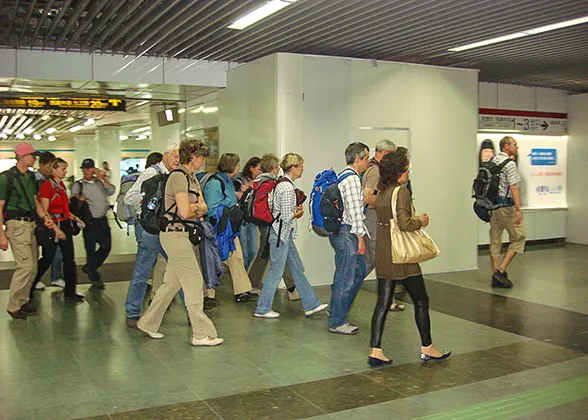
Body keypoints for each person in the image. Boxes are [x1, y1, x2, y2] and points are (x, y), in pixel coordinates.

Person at [368, 151, 450, 367]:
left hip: (385, 253)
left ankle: (375, 350)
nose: (408, 171)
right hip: (402, 256)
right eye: (406, 167)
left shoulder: (383, 192)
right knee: (421, 300)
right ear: (399, 171)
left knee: (382, 304)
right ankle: (428, 347)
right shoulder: (401, 191)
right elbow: (404, 223)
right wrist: (420, 221)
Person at [137, 140, 223, 347]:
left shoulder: (190, 178)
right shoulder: (178, 178)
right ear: (193, 157)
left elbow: (204, 208)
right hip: (174, 236)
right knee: (194, 283)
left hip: (182, 235)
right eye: (202, 157)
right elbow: (186, 211)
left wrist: (196, 208)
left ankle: (148, 323)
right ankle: (201, 334)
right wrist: (196, 208)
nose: (203, 161)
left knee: (171, 284)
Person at [254, 153, 328, 318]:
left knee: (297, 269)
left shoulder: (281, 184)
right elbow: (285, 216)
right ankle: (262, 308)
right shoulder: (287, 187)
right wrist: (298, 213)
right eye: (301, 166)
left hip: (281, 234)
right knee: (276, 271)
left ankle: (311, 304)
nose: (302, 169)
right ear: (293, 168)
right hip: (281, 235)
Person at [124, 146, 180, 328]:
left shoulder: (177, 175)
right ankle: (133, 311)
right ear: (166, 155)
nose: (178, 159)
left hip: (168, 227)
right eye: (175, 155)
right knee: (144, 268)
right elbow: (129, 198)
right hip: (149, 229)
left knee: (181, 267)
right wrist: (148, 199)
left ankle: (193, 312)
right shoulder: (151, 172)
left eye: (181, 156)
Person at [0, 143, 55, 319]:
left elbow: (34, 200)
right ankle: (13, 305)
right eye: (32, 155)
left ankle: (23, 301)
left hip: (31, 224)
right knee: (25, 266)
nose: (35, 158)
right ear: (22, 156)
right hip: (16, 225)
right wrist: (1, 234)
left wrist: (44, 216)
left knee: (33, 267)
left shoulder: (30, 177)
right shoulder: (6, 178)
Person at [202, 153, 257, 303]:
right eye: (238, 164)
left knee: (236, 257)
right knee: (214, 260)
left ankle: (242, 290)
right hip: (218, 228)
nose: (239, 167)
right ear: (232, 165)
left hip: (229, 228)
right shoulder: (215, 183)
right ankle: (209, 294)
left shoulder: (227, 181)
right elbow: (211, 208)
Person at [328, 142, 370, 335]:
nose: (368, 162)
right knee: (346, 277)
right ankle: (337, 321)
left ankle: (338, 309)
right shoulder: (352, 180)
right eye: (366, 158)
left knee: (358, 271)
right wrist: (360, 237)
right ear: (358, 159)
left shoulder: (343, 176)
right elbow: (355, 212)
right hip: (348, 233)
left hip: (342, 232)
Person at [31, 158, 86, 301]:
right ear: (54, 170)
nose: (65, 171)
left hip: (65, 223)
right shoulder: (46, 186)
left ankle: (70, 291)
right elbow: (44, 210)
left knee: (69, 259)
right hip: (52, 226)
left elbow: (65, 209)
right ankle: (30, 285)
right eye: (62, 169)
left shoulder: (61, 185)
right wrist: (56, 229)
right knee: (47, 258)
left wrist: (75, 219)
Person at [247, 154, 299, 299]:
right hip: (272, 222)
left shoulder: (259, 181)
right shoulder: (272, 183)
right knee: (278, 253)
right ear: (274, 168)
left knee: (266, 252)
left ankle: (252, 283)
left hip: (261, 221)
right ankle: (292, 288)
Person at [362, 139, 405, 311]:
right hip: (373, 219)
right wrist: (387, 201)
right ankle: (345, 287)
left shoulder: (377, 169)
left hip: (379, 219)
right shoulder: (375, 171)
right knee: (372, 259)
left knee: (384, 260)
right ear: (386, 153)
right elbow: (366, 198)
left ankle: (388, 300)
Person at [72, 158, 115, 290]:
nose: (87, 171)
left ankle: (90, 267)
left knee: (106, 247)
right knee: (90, 251)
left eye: (90, 168)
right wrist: (80, 200)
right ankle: (95, 277)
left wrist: (101, 177)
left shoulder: (100, 183)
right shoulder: (78, 185)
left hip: (103, 220)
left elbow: (112, 190)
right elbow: (73, 205)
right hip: (90, 222)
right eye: (85, 168)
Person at [489, 136, 526, 288]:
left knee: (495, 240)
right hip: (507, 207)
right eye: (515, 145)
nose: (517, 148)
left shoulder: (492, 161)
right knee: (519, 237)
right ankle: (501, 270)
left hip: (493, 207)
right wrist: (518, 209)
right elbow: (514, 187)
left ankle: (495, 274)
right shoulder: (510, 164)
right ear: (506, 147)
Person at [33, 151, 65, 290]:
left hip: (50, 220)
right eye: (48, 166)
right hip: (37, 220)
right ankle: (34, 280)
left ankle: (55, 276)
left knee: (54, 251)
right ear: (41, 165)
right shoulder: (34, 180)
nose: (50, 169)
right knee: (35, 253)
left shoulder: (55, 183)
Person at [231, 156, 262, 271]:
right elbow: (235, 194)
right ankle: (242, 281)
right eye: (258, 168)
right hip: (241, 219)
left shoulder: (258, 182)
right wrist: (247, 192)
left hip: (252, 219)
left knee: (253, 251)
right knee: (243, 252)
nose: (260, 171)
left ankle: (246, 276)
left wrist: (249, 189)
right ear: (251, 168)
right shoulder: (239, 179)